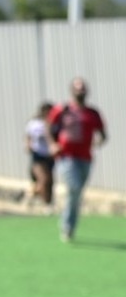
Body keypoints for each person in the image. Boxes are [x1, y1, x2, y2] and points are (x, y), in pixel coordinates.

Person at [46, 77, 107, 243]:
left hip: (85, 158)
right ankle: (67, 225)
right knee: (74, 188)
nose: (81, 91)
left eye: (83, 88)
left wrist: (98, 142)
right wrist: (52, 144)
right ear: (72, 90)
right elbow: (48, 127)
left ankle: (70, 224)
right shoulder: (63, 110)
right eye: (77, 88)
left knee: (77, 193)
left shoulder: (92, 113)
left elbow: (102, 134)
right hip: (66, 157)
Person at [24, 101, 54, 212]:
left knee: (50, 180)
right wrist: (28, 145)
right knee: (43, 179)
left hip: (49, 156)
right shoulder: (34, 124)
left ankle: (34, 195)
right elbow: (28, 136)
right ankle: (45, 203)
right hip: (37, 155)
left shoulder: (52, 123)